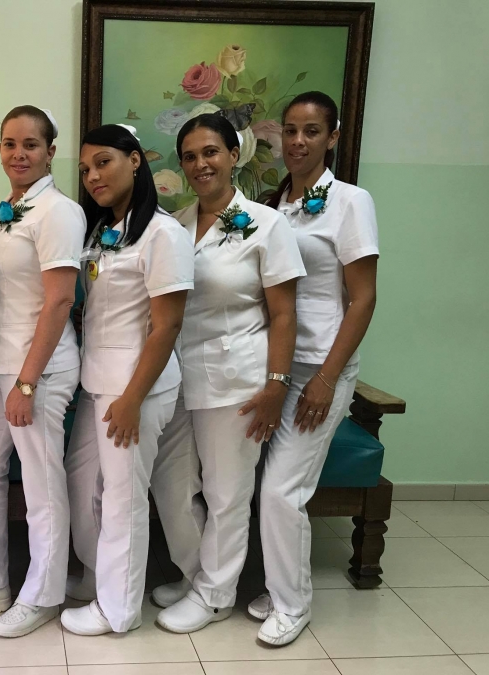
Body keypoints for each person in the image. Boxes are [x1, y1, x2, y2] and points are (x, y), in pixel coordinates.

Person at [149, 114, 305, 634]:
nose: (200, 164)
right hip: (175, 376)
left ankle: (216, 595)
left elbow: (284, 314)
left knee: (226, 494)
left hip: (235, 377)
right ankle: (198, 576)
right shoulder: (173, 224)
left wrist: (276, 386)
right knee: (171, 485)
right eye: (190, 156)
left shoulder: (266, 224)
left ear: (234, 155)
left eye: (211, 152)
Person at [247, 91, 379, 646]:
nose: (298, 142)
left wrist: (326, 378)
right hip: (272, 367)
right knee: (263, 484)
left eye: (312, 131)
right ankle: (282, 584)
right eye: (290, 131)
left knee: (284, 490)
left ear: (333, 137)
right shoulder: (273, 204)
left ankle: (292, 605)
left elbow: (363, 299)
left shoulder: (351, 202)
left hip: (320, 369)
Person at [0, 106, 85, 638]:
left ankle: (43, 594)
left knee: (41, 482)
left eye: (31, 144)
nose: (19, 153)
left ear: (51, 151)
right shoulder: (11, 210)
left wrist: (27, 382)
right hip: (0, 366)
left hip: (38, 371)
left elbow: (60, 301)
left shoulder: (58, 212)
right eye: (10, 143)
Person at [61, 124, 194, 636]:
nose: (93, 176)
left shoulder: (164, 234)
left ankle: (118, 610)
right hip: (98, 380)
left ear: (135, 161)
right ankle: (101, 574)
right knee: (82, 482)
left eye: (104, 162)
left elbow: (167, 326)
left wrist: (134, 398)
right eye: (85, 169)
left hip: (135, 385)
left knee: (123, 498)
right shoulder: (103, 231)